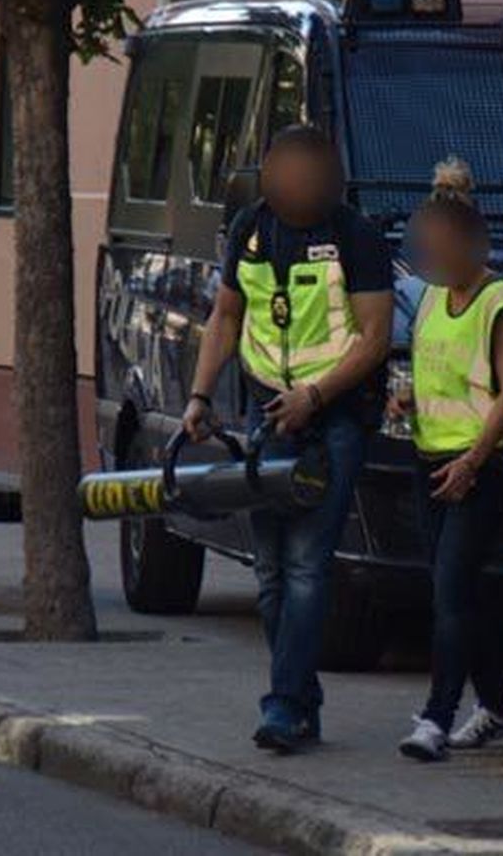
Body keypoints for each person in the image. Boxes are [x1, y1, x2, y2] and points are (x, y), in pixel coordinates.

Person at [182, 124, 393, 754]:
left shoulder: (355, 235)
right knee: (270, 570)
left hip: (334, 420)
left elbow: (375, 336)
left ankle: (281, 706)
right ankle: (301, 698)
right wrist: (199, 395)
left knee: (306, 566)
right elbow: (226, 315)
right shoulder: (251, 225)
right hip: (267, 417)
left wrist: (317, 397)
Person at [394, 160, 503, 763]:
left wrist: (474, 460)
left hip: (481, 465)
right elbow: (436, 368)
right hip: (429, 459)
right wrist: (406, 396)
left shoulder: (499, 299)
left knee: (451, 592)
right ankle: (497, 706)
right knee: (457, 596)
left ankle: (436, 716)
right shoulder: (429, 298)